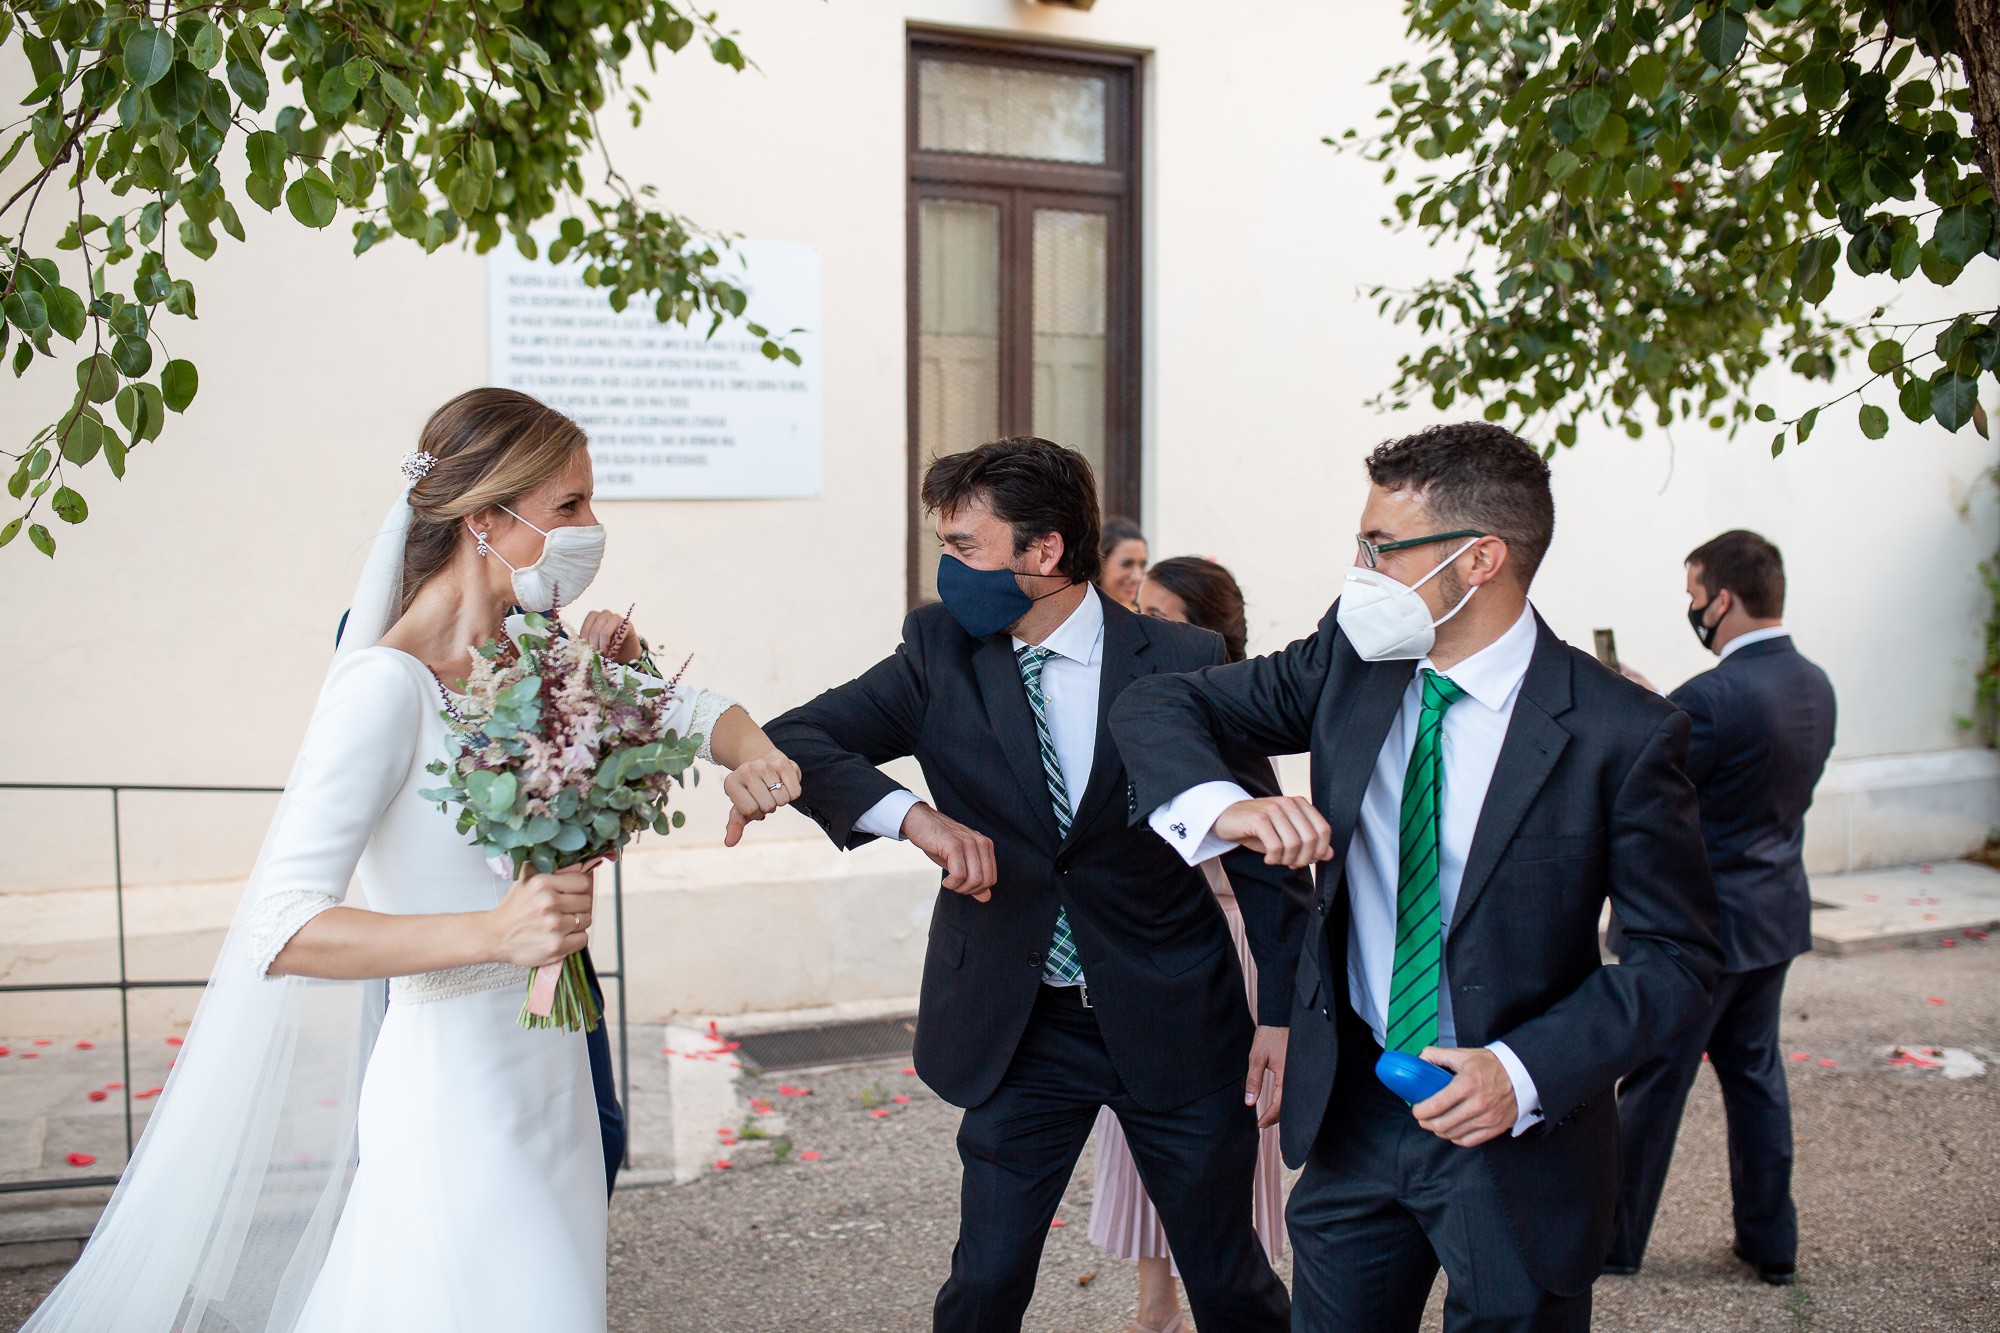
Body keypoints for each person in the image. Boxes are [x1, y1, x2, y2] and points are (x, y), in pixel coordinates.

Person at [25, 388, 803, 1332]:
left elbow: (691, 708)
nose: (593, 529)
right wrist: (491, 930)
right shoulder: (382, 688)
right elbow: (281, 925)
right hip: (453, 1086)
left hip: (549, 1070)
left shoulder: (534, 657)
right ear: (485, 518)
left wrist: (754, 752)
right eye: (570, 507)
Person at [1110, 422, 1724, 1332]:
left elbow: (1679, 961)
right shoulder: (1352, 661)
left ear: (1480, 559)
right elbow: (1156, 700)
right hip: (1354, 1109)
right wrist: (1219, 805)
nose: (1358, 571)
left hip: (1513, 1135)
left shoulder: (1623, 733)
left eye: (1381, 548)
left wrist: (1521, 1072)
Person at [767, 439, 1300, 1333]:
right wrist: (915, 819)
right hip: (1023, 1025)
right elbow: (800, 738)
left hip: (1175, 1012)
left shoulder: (1183, 657)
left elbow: (1263, 844)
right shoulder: (939, 649)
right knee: (985, 1282)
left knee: (1231, 1280)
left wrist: (1278, 1011)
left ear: (1044, 551)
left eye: (966, 545)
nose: (948, 567)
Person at [1603, 530, 1836, 1287]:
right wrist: (1663, 706)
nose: (1692, 607)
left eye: (1693, 593)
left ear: (1722, 598)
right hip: (1771, 913)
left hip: (1698, 930)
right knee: (1757, 1076)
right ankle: (1772, 1242)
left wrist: (1644, 710)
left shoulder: (1711, 696)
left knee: (1653, 1086)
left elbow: (1650, 783)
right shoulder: (1813, 682)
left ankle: (1615, 1241)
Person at [1091, 556, 1300, 1333]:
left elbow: (1265, 863)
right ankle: (1155, 1305)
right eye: (1137, 607)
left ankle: (1231, 1302)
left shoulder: (1226, 714)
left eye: (1163, 614)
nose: (1141, 624)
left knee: (1220, 1149)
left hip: (1224, 943)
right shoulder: (1128, 705)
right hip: (1140, 950)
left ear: (1209, 630)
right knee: (1136, 1134)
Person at [1098, 516, 1149, 611]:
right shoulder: (1083, 616)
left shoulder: (1146, 618)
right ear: (1101, 562)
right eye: (1126, 564)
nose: (1137, 577)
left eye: (1142, 565)